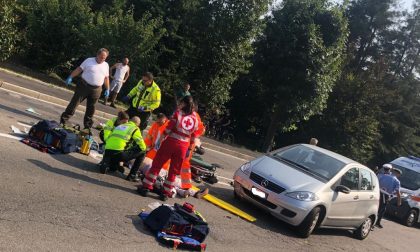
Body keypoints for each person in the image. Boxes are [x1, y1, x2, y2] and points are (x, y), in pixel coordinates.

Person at [138, 95, 200, 201]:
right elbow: (194, 136)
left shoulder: (178, 114)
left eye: (180, 103)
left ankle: (146, 187)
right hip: (183, 147)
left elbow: (168, 129)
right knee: (173, 171)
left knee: (157, 164)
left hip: (171, 142)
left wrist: (159, 140)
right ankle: (165, 193)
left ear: (184, 104)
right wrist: (189, 149)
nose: (179, 104)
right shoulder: (195, 118)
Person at [60, 48, 110, 130]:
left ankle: (87, 127)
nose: (102, 59)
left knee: (91, 108)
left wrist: (107, 89)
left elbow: (106, 78)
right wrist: (71, 77)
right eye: (101, 57)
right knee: (74, 103)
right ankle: (64, 121)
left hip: (96, 90)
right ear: (97, 55)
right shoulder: (89, 61)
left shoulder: (106, 65)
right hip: (84, 86)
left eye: (104, 58)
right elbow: (79, 69)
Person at [100, 116, 146, 182]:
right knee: (143, 152)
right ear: (138, 124)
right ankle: (132, 175)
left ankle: (109, 164)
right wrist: (145, 149)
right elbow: (141, 143)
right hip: (119, 153)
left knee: (114, 166)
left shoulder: (120, 126)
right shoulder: (135, 128)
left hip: (107, 151)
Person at [376, 163, 402, 229]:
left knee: (376, 208)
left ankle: (376, 222)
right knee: (381, 209)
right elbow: (398, 192)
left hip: (376, 193)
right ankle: (376, 222)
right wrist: (399, 202)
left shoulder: (380, 175)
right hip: (385, 196)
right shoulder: (396, 181)